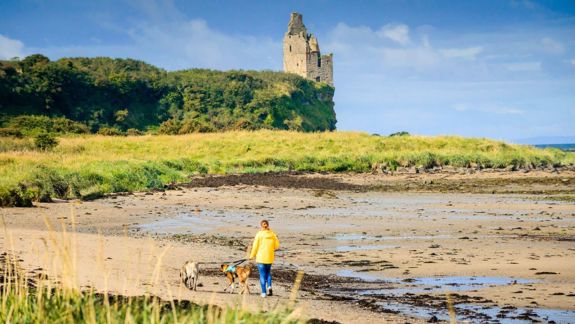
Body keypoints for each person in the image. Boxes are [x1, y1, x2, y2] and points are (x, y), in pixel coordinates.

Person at [249, 219, 280, 297]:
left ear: (261, 225)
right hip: (269, 257)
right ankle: (269, 286)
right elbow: (277, 246)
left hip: (261, 257)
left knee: (262, 275)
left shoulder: (259, 234)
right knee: (268, 273)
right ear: (268, 225)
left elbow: (255, 246)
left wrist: (251, 255)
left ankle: (263, 292)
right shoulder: (272, 234)